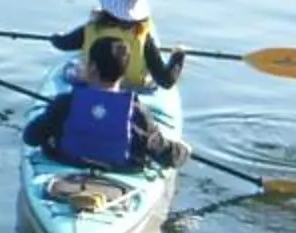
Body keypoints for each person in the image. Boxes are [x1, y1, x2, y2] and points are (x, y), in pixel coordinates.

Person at [22, 35, 187, 170]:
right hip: (119, 172)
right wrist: (184, 151)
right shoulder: (137, 112)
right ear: (124, 71)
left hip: (67, 163)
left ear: (92, 67)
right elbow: (167, 156)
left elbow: (30, 137)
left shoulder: (65, 103)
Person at [48, 0, 187, 90]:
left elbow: (63, 44)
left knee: (71, 67)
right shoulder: (143, 37)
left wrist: (55, 37)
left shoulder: (91, 28)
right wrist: (178, 56)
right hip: (133, 87)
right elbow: (166, 81)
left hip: (91, 81)